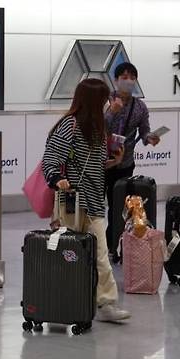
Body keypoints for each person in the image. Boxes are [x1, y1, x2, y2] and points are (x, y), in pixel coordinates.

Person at [43, 78, 131, 323]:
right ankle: (61, 299)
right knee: (67, 254)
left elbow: (95, 164)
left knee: (100, 254)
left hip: (93, 201)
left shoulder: (98, 128)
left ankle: (106, 304)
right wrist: (57, 179)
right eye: (103, 99)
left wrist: (113, 162)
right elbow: (50, 158)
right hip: (71, 201)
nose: (107, 103)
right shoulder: (69, 125)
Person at [104, 62, 160, 257]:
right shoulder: (105, 100)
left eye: (132, 77)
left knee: (117, 206)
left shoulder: (140, 106)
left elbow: (144, 131)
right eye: (124, 77)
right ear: (116, 79)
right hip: (99, 162)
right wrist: (113, 112)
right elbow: (98, 127)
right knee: (94, 206)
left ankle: (113, 245)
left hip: (124, 163)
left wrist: (149, 138)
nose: (128, 81)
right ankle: (94, 245)